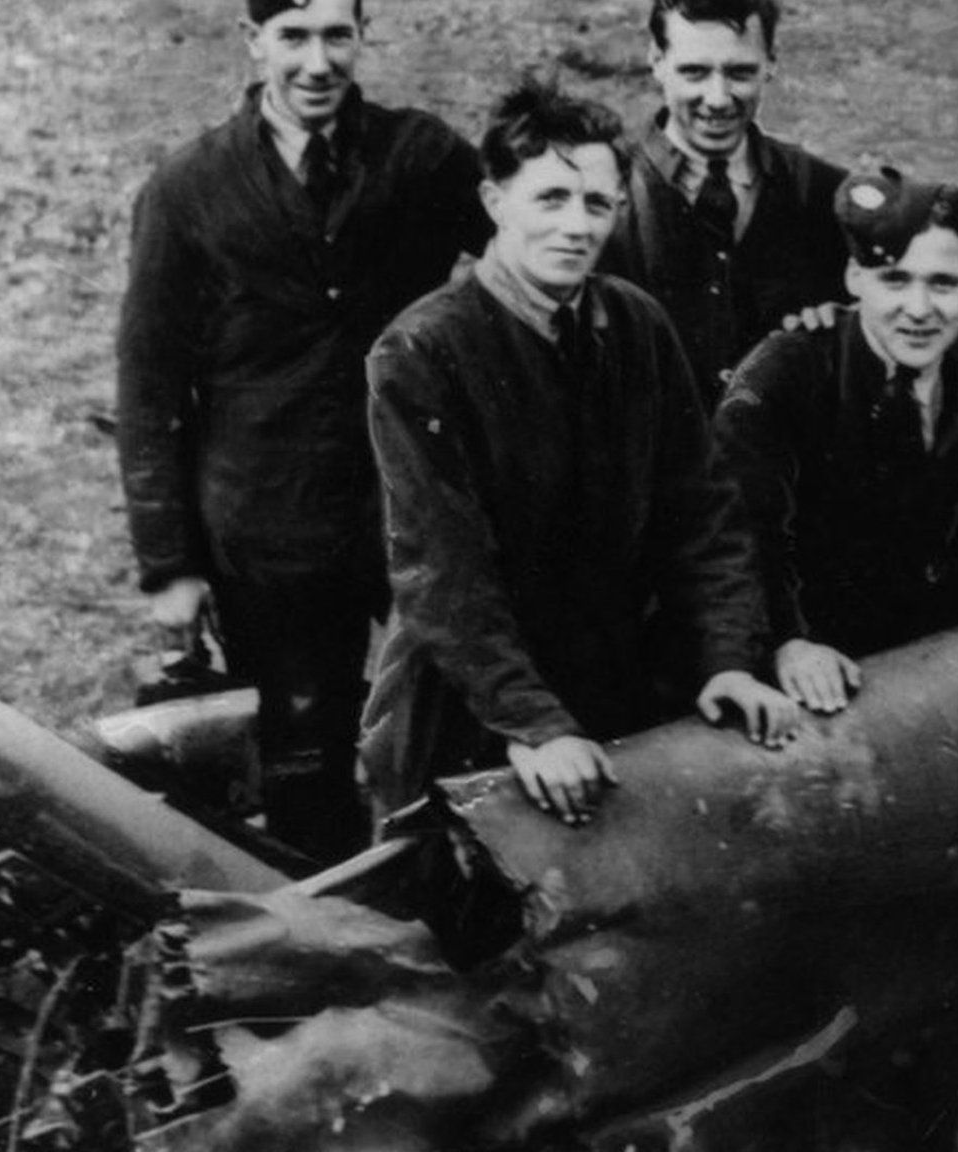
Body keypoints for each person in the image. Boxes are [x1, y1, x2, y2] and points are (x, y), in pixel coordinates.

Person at [362, 78, 798, 827]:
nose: (576, 226)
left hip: (613, 699)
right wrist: (534, 724)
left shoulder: (636, 324)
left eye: (598, 203)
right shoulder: (421, 351)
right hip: (467, 716)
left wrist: (726, 660)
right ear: (495, 201)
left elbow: (701, 514)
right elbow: (443, 571)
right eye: (551, 199)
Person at [114, 0, 489, 863]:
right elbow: (149, 384)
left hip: (417, 504)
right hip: (267, 526)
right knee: (301, 756)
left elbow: (526, 257)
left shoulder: (422, 157)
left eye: (336, 35)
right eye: (293, 37)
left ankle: (450, 913)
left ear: (364, 35)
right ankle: (326, 925)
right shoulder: (189, 188)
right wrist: (170, 565)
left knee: (459, 725)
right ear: (253, 43)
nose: (318, 63)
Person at [713, 168, 958, 716]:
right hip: (813, 687)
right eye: (895, 280)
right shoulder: (785, 374)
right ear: (855, 278)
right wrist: (788, 641)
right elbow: (743, 533)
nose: (920, 310)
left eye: (943, 284)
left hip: (921, 684)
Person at [595, 0, 848, 407]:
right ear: (657, 61)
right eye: (694, 72)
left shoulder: (822, 191)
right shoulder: (598, 194)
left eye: (740, 72)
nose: (718, 99)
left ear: (771, 62)